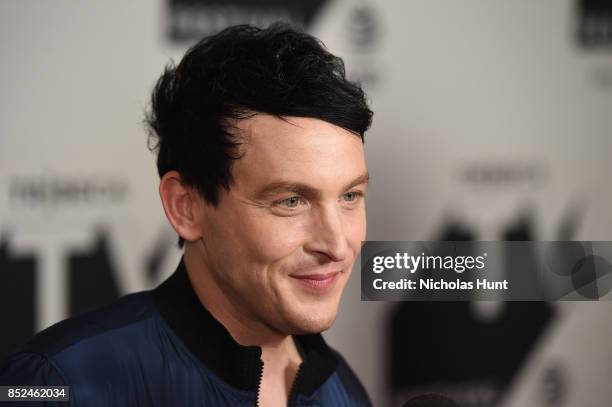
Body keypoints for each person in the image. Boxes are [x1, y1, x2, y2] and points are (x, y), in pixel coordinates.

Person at [0, 23, 373, 406]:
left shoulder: (344, 389)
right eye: (291, 201)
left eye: (350, 196)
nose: (337, 245)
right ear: (186, 207)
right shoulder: (56, 383)